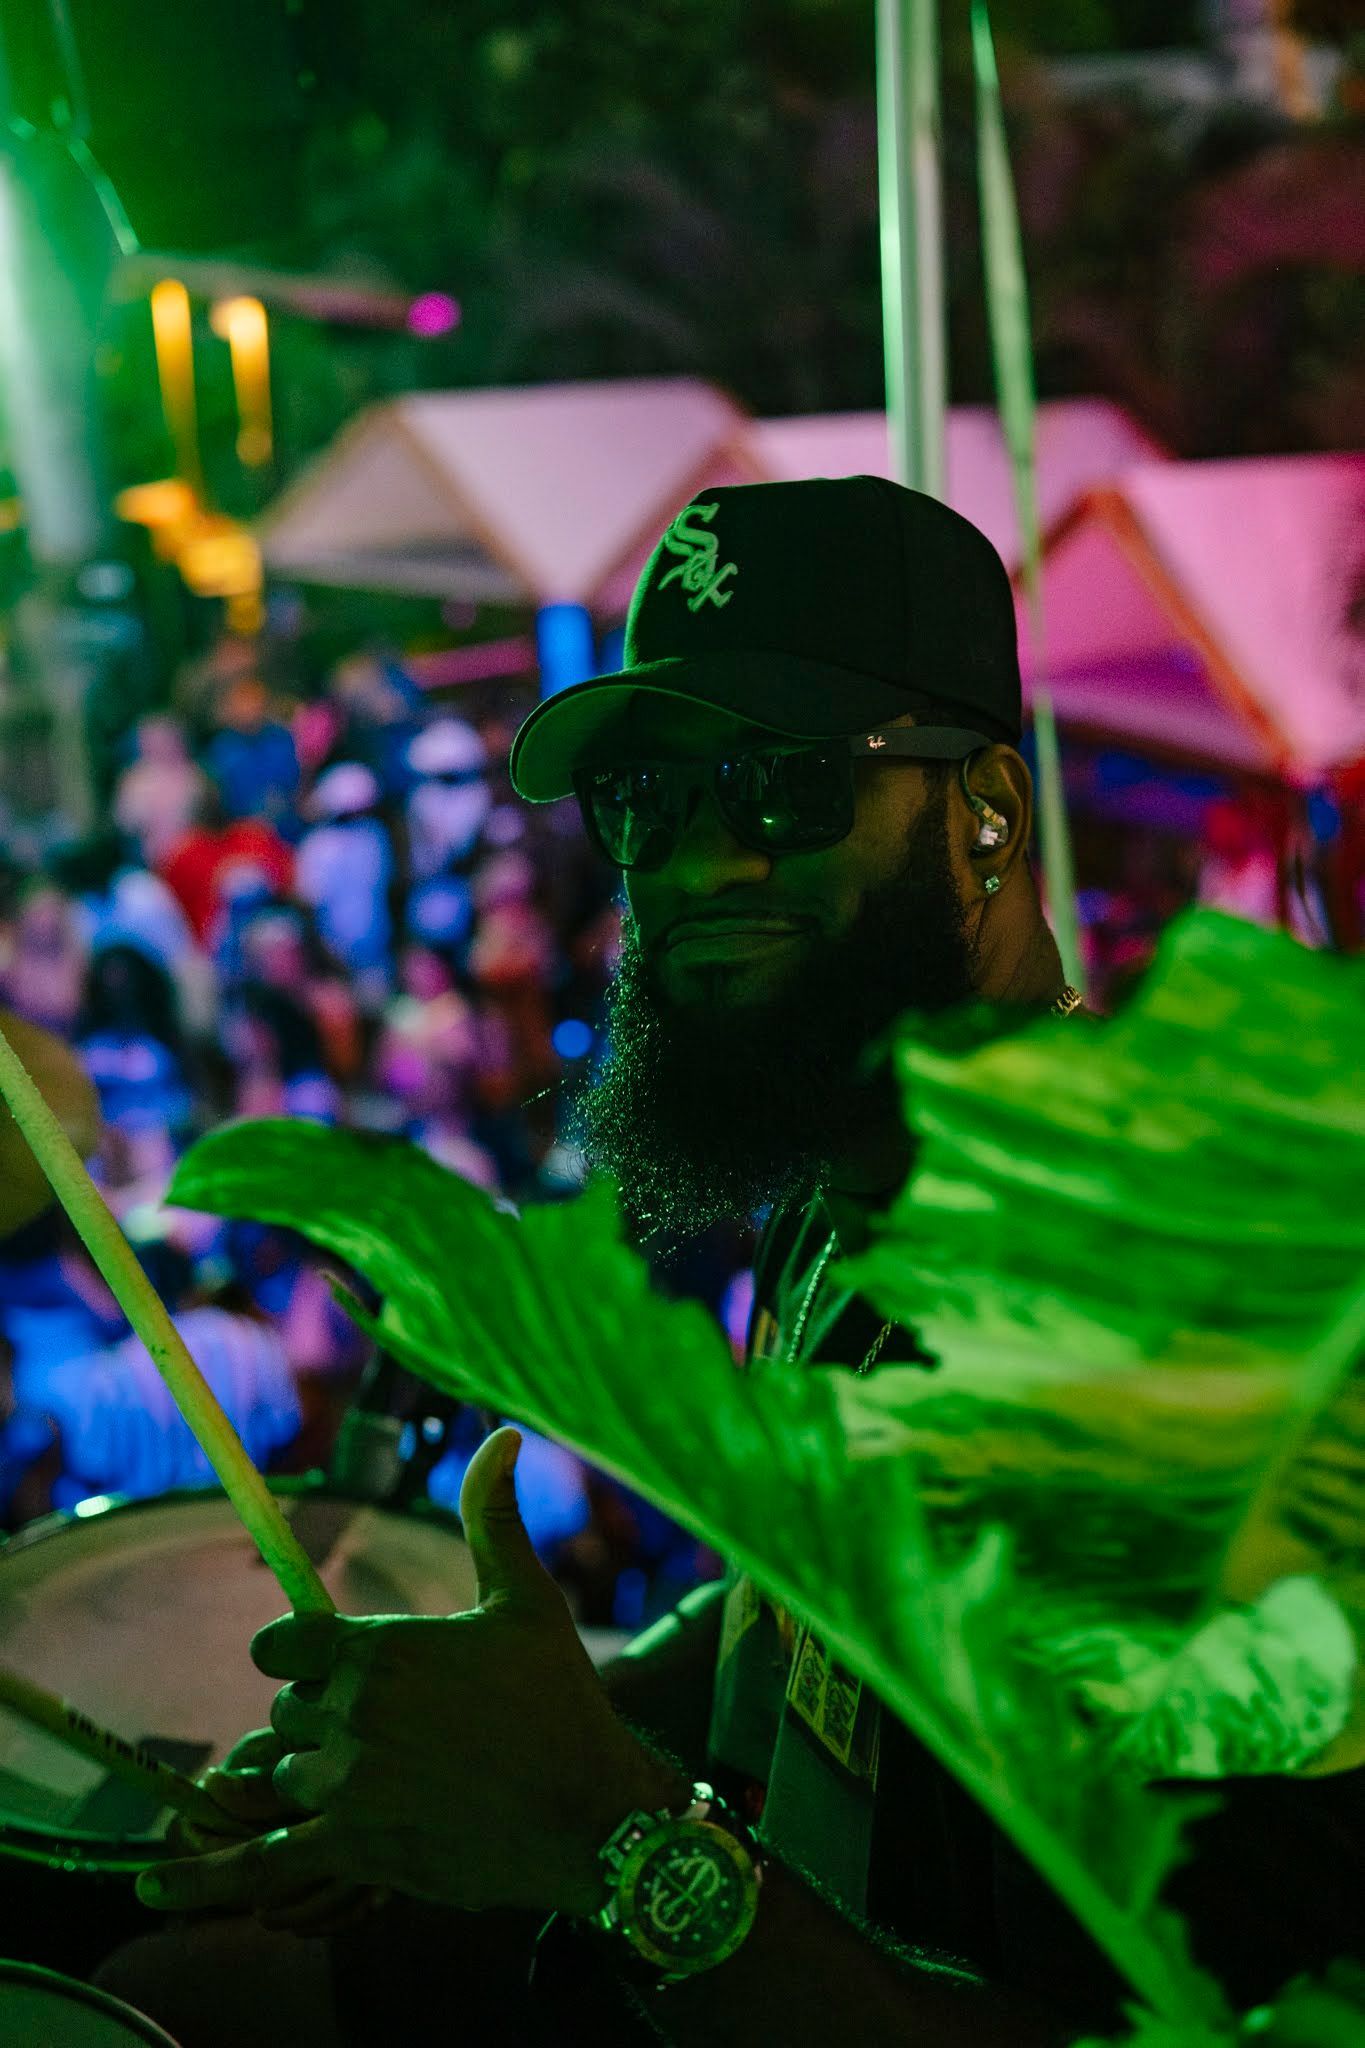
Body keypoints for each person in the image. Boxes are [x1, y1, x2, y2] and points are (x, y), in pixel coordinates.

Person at [104, 481, 1365, 2045]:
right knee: (177, 1983)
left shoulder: (1192, 1337)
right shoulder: (845, 1182)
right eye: (650, 798)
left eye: (782, 787)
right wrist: (497, 1727)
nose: (697, 865)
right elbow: (807, 1624)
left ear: (984, 809)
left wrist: (611, 1830)